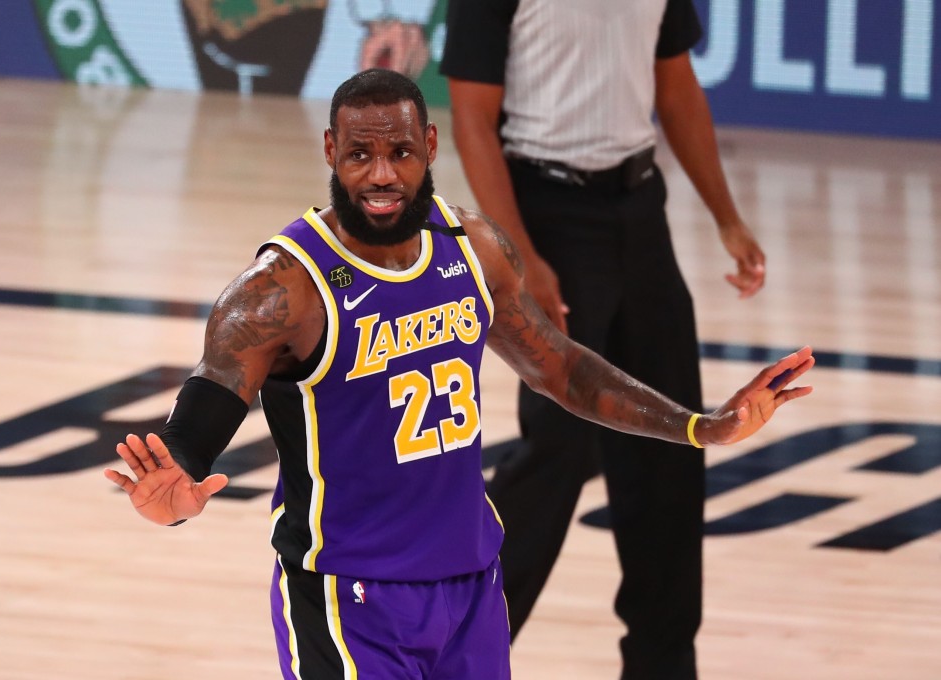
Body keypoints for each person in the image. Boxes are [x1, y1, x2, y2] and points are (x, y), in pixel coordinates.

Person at [105, 69, 810, 680]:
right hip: (349, 596)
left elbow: (561, 370)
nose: (382, 175)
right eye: (360, 154)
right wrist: (176, 491)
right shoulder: (282, 289)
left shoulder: (474, 248)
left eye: (400, 152)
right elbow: (200, 422)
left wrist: (700, 426)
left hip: (471, 584)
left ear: (430, 147)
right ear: (330, 152)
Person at [440, 2, 768, 677]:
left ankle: (662, 665)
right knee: (557, 451)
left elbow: (675, 85)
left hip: (640, 211)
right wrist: (518, 255)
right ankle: (454, 654)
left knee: (674, 443)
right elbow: (471, 117)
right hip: (547, 211)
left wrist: (727, 217)